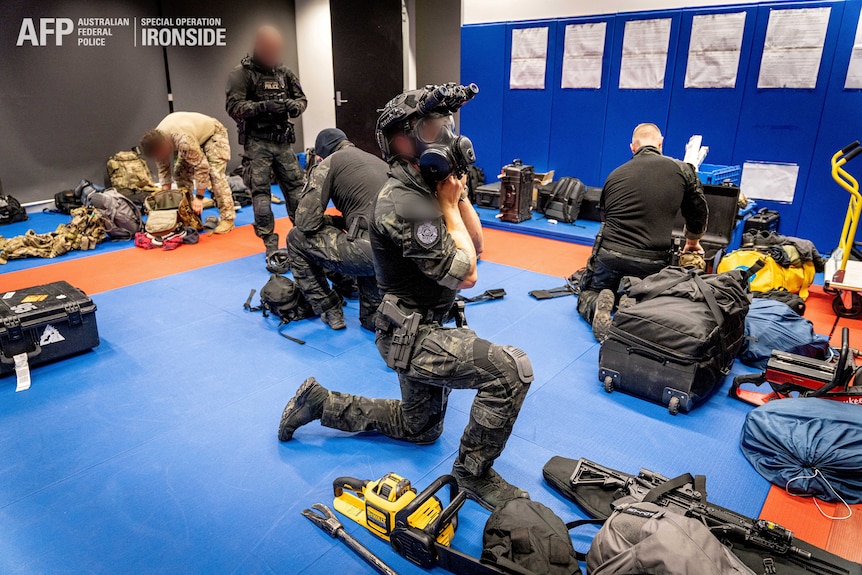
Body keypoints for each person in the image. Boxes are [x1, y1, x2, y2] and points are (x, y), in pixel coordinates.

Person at [277, 85, 534, 512]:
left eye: (447, 126)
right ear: (401, 140)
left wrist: (459, 197)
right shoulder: (404, 203)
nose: (446, 136)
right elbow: (467, 273)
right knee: (511, 370)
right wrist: (449, 208)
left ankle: (321, 403)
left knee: (420, 428)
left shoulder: (427, 187)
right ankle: (472, 475)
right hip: (410, 335)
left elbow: (477, 245)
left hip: (424, 321)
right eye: (433, 127)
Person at [578, 123, 709, 341]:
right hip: (653, 261)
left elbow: (605, 218)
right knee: (657, 300)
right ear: (660, 143)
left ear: (632, 147)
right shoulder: (683, 171)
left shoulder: (614, 175)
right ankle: (633, 306)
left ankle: (596, 305)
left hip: (610, 256)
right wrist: (693, 241)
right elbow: (699, 212)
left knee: (587, 293)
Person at [287, 128, 386, 331]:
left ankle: (329, 307)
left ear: (320, 156)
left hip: (368, 253)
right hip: (400, 256)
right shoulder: (375, 159)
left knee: (296, 238)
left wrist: (333, 222)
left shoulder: (328, 163)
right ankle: (351, 288)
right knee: (371, 319)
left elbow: (306, 222)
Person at [225, 25, 307, 255]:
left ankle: (303, 239)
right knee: (261, 196)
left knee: (297, 191)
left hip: (283, 142)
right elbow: (233, 107)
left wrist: (294, 106)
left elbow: (302, 99)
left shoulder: (284, 72)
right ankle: (270, 244)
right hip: (257, 142)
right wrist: (263, 107)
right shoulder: (241, 74)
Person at [140, 111, 235, 234]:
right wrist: (167, 198)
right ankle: (190, 215)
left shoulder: (183, 140)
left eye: (161, 154)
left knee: (215, 175)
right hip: (192, 137)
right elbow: (164, 171)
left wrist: (199, 197)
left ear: (164, 146)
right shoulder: (155, 143)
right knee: (180, 172)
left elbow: (202, 167)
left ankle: (228, 218)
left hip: (213, 134)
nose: (160, 157)